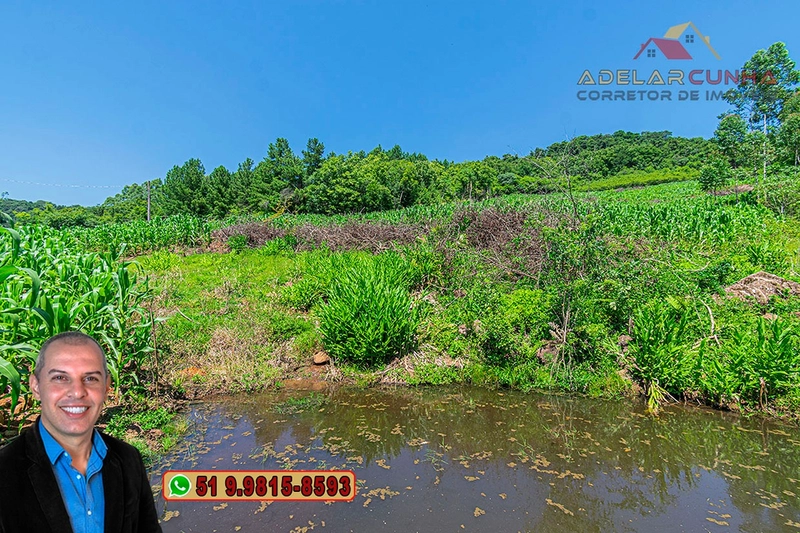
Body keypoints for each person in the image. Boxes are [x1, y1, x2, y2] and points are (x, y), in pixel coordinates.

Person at [0, 331, 162, 533]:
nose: (77, 392)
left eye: (91, 378)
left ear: (106, 386)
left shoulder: (129, 460)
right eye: (60, 377)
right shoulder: (5, 471)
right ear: (36, 386)